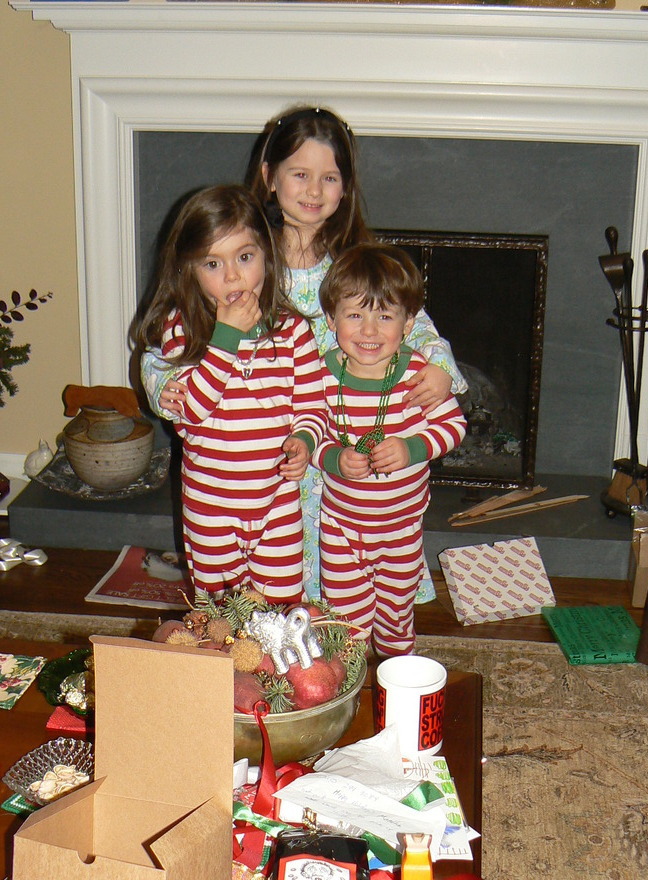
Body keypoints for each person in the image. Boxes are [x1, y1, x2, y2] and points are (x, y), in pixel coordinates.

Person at [141, 104, 467, 601]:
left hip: (340, 460)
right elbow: (165, 348)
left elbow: (412, 321)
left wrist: (439, 365)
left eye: (329, 177)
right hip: (261, 469)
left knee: (338, 595)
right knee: (257, 593)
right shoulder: (243, 255)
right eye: (300, 174)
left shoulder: (356, 263)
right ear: (269, 177)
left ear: (346, 187)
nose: (314, 190)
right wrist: (162, 384)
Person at [135, 184, 327, 601]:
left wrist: (305, 439)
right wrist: (225, 338)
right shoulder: (181, 329)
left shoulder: (293, 331)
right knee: (219, 615)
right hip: (211, 509)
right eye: (212, 263)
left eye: (244, 257)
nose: (233, 276)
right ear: (189, 270)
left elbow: (313, 406)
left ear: (266, 256)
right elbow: (192, 411)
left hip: (276, 505)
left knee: (281, 611)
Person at [313, 243, 467, 656]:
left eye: (384, 316)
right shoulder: (321, 376)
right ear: (331, 319)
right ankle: (348, 683)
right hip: (342, 529)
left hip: (402, 531)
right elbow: (309, 434)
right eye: (355, 315)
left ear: (408, 322)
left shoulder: (418, 375)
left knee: (396, 618)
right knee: (345, 626)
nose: (369, 331)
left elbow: (454, 426)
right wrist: (333, 457)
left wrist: (413, 448)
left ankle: (396, 678)